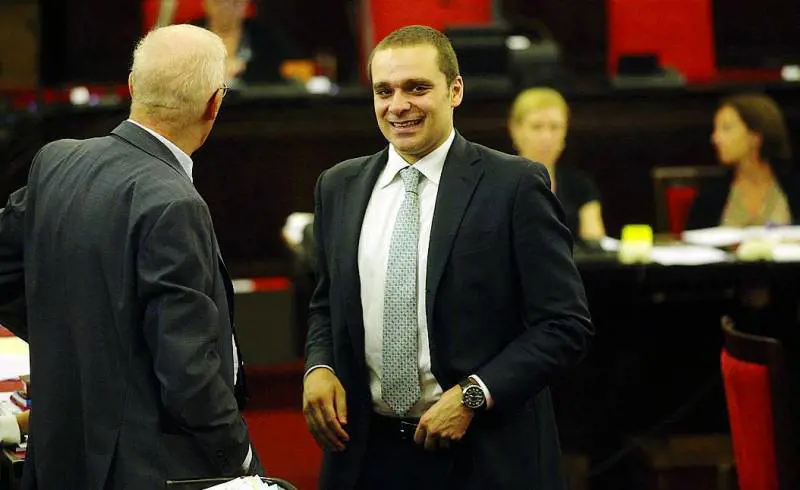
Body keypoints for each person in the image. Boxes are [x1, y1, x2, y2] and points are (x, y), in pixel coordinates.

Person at [302, 25, 594, 490]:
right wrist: (319, 367)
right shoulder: (339, 186)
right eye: (384, 91)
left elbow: (565, 325)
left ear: (455, 90)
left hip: (485, 457)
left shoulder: (514, 185)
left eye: (416, 88)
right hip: (367, 455)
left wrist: (474, 395)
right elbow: (325, 304)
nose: (398, 105)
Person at [0, 24, 263, 488]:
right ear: (214, 103)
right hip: (148, 468)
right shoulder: (174, 203)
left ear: (133, 85)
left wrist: (75, 339)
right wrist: (240, 458)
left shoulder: (55, 162)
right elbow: (188, 372)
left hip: (60, 453)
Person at [686, 92, 799, 230]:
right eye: (716, 129)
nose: (715, 138)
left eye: (726, 128)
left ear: (755, 136)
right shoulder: (710, 196)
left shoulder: (794, 188)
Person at [508, 87, 606, 243]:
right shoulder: (493, 183)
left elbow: (595, 241)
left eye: (555, 127)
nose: (546, 137)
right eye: (536, 127)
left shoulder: (581, 185)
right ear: (515, 130)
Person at [193, 0, 300, 85]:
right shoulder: (191, 33)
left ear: (245, 4)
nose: (226, 8)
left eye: (235, 2)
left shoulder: (265, 35)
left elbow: (290, 68)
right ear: (205, 3)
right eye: (218, 2)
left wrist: (246, 68)